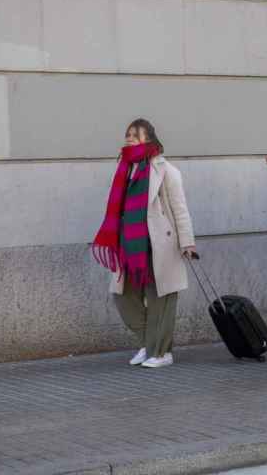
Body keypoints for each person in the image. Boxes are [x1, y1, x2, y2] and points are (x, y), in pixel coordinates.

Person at [91, 119, 197, 368]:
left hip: (160, 243)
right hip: (129, 244)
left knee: (160, 298)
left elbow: (180, 209)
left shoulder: (166, 170)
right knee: (123, 296)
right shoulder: (124, 168)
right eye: (127, 134)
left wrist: (187, 242)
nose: (129, 139)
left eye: (135, 135)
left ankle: (161, 353)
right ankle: (148, 344)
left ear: (148, 138)